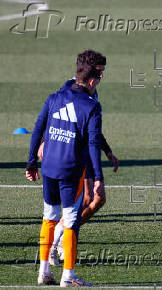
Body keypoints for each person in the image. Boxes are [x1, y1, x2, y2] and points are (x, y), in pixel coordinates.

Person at [26, 49, 107, 287]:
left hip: (48, 168)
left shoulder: (53, 97)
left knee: (49, 218)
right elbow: (92, 143)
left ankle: (44, 272)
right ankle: (68, 276)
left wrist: (31, 161)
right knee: (70, 222)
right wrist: (97, 176)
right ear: (92, 80)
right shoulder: (91, 107)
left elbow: (38, 128)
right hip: (71, 172)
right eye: (100, 78)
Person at [38, 78, 119, 267]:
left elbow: (93, 129)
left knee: (98, 200)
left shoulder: (92, 92)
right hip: (75, 154)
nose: (101, 75)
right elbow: (56, 117)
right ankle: (58, 244)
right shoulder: (70, 87)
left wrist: (107, 150)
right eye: (99, 70)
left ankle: (61, 236)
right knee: (85, 199)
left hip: (88, 151)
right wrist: (44, 140)